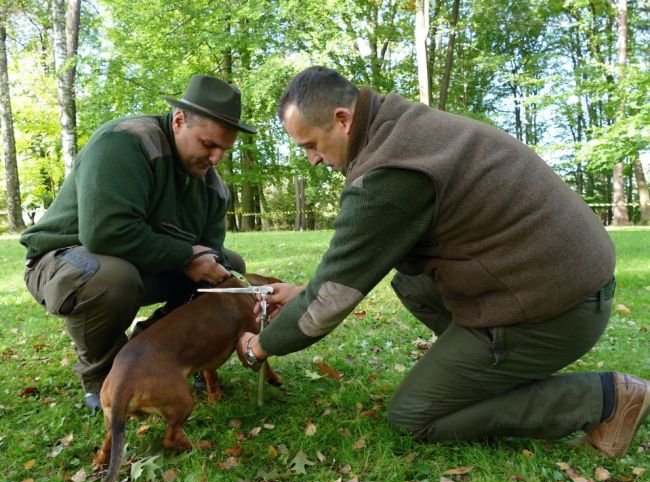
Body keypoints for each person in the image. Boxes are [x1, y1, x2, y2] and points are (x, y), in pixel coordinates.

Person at [237, 66, 649, 458]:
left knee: (414, 416)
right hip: (559, 283)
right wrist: (300, 293)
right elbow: (346, 268)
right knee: (411, 282)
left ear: (343, 119)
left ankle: (606, 398)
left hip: (556, 310)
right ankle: (479, 372)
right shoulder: (402, 125)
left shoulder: (389, 171)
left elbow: (329, 302)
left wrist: (260, 346)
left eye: (310, 145)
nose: (311, 159)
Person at [21, 74, 256, 413]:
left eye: (224, 149)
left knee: (227, 270)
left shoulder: (213, 189)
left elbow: (211, 252)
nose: (216, 159)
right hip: (62, 261)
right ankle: (101, 379)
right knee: (113, 279)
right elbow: (105, 233)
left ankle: (154, 351)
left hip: (135, 263)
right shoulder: (124, 143)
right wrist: (186, 255)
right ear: (178, 121)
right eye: (208, 144)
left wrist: (209, 261)